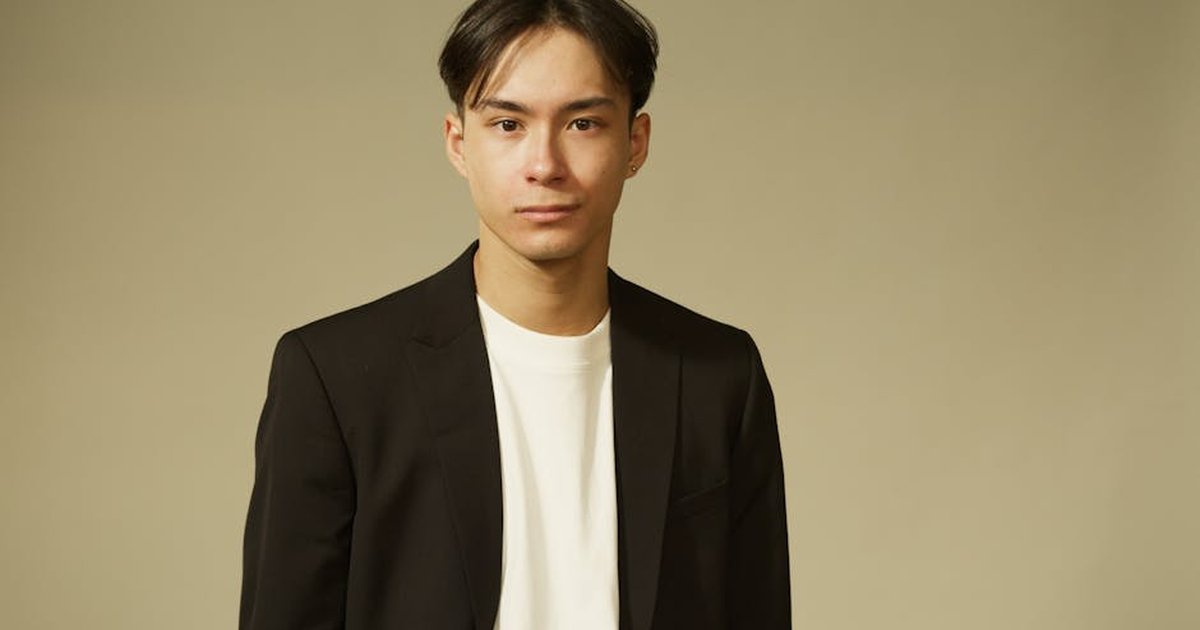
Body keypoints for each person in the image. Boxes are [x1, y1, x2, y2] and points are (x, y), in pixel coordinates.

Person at [238, 0, 790, 628]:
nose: (544, 165)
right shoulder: (336, 378)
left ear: (635, 143)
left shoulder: (719, 374)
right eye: (508, 124)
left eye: (583, 123)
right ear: (458, 143)